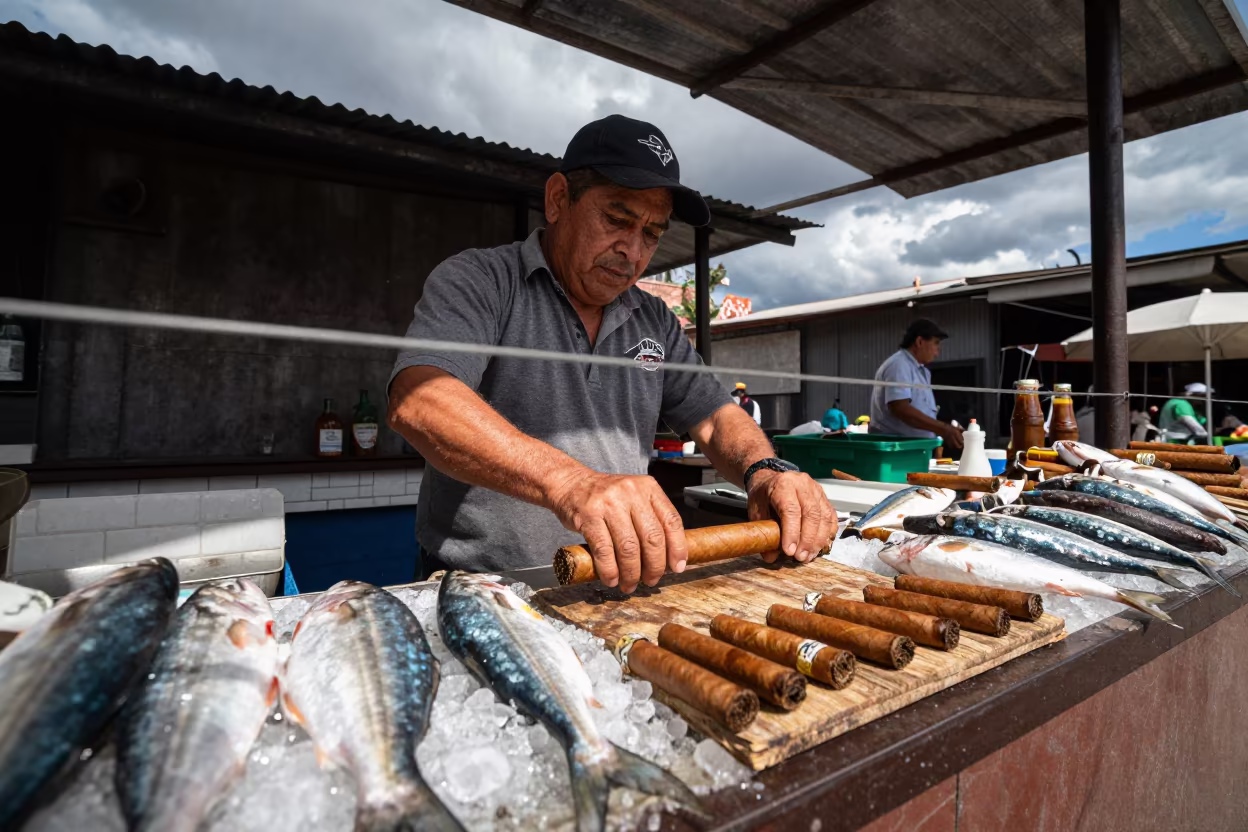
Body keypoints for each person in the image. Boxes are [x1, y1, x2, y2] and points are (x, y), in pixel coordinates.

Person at [386, 114, 836, 593]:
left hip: (615, 586)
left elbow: (715, 415)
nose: (633, 251)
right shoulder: (484, 280)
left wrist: (764, 470)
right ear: (559, 199)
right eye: (617, 220)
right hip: (482, 589)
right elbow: (420, 398)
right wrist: (571, 483)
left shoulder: (654, 320)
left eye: (652, 233)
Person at [868, 319, 963, 450]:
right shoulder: (899, 365)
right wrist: (944, 429)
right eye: (936, 343)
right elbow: (900, 409)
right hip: (895, 451)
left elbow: (920, 411)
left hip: (914, 449)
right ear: (919, 342)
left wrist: (947, 427)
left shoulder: (922, 371)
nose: (937, 352)